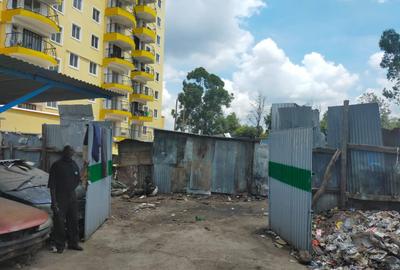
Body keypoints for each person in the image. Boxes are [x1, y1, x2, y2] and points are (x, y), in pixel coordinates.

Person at [48, 145, 83, 253]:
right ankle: (60, 245)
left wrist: (71, 189)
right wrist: (54, 202)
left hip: (72, 197)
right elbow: (52, 185)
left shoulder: (73, 164)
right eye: (68, 152)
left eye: (71, 152)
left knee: (73, 221)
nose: (70, 154)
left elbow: (78, 179)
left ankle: (73, 243)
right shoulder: (56, 165)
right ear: (64, 153)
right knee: (59, 223)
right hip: (60, 197)